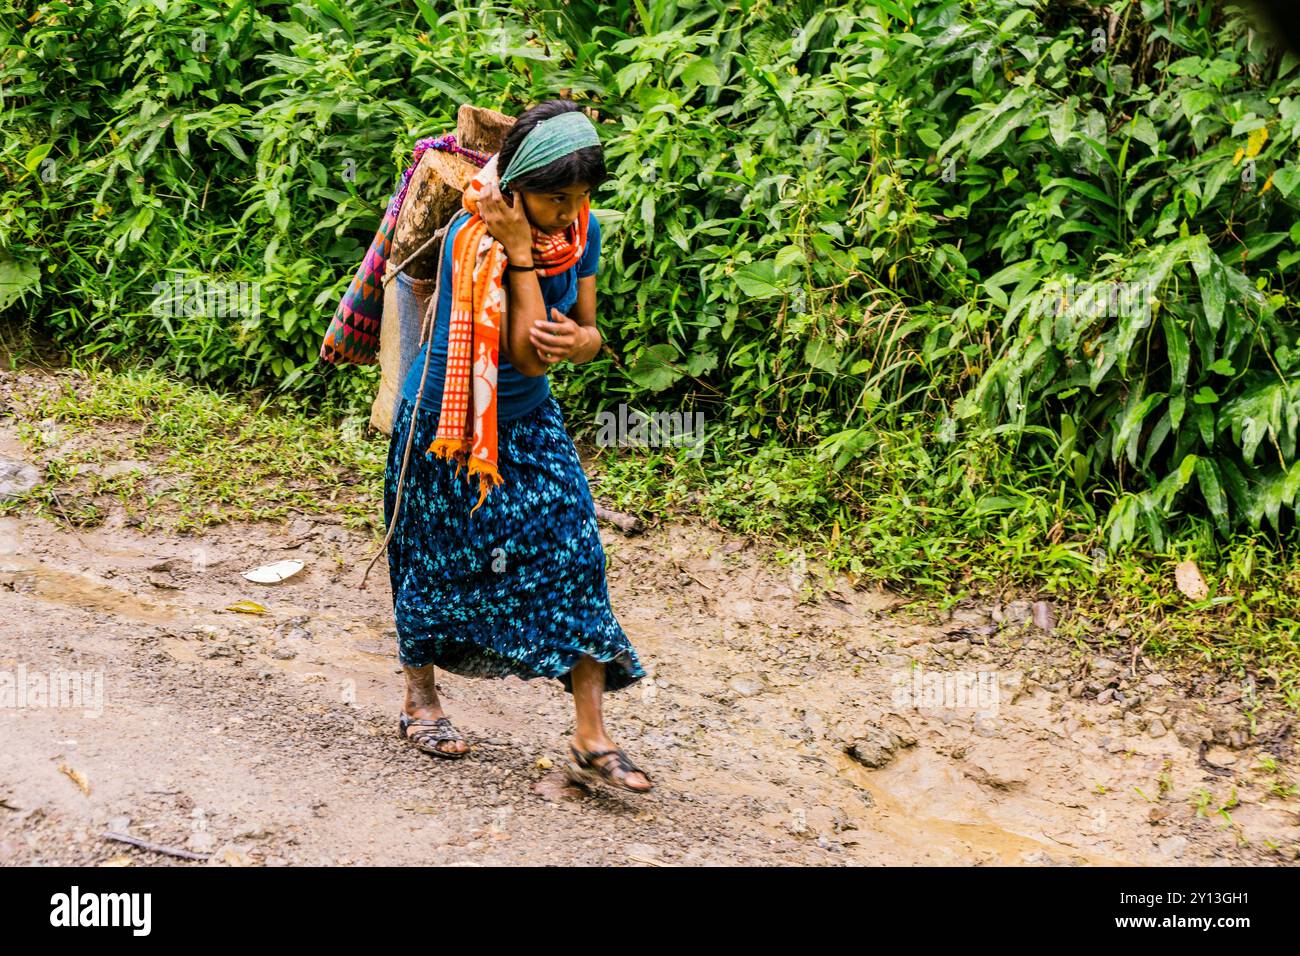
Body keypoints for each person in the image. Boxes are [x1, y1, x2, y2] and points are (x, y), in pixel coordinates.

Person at [381, 99, 652, 794]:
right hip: (450, 420)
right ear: (518, 187)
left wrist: (586, 342)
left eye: (582, 196)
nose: (571, 210)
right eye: (556, 197)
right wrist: (525, 257)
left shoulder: (578, 232)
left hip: (527, 420)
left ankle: (591, 738)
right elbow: (530, 355)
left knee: (577, 551)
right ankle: (421, 700)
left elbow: (587, 335)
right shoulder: (472, 238)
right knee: (435, 558)